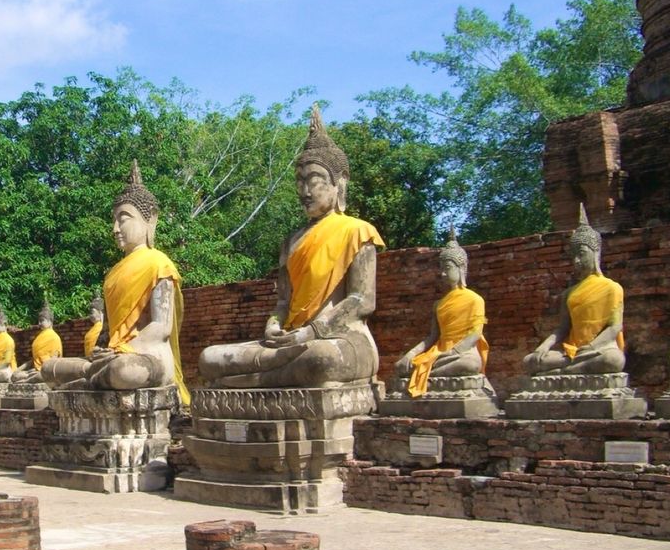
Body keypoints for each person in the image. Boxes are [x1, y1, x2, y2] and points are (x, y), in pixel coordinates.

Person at [199, 108, 384, 389]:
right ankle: (260, 378)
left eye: (313, 180)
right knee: (210, 358)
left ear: (339, 183)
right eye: (299, 181)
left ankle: (247, 381)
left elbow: (361, 300)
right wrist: (273, 325)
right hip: (289, 339)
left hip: (340, 340)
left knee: (320, 359)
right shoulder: (291, 242)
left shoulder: (357, 231)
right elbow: (284, 303)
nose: (304, 191)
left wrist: (311, 332)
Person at [42, 161, 188, 403]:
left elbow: (161, 328)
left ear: (149, 219)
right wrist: (102, 348)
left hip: (147, 357)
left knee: (122, 371)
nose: (115, 228)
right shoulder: (113, 274)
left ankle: (87, 380)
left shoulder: (159, 264)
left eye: (123, 219)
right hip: (114, 355)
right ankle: (91, 376)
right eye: (114, 220)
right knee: (49, 368)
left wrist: (121, 350)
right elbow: (108, 331)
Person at [524, 204, 625, 376]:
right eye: (573, 256)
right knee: (530, 362)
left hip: (599, 350)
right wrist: (544, 345)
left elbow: (615, 327)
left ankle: (564, 372)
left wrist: (591, 347)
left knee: (613, 361)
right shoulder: (569, 293)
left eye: (582, 254)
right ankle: (570, 370)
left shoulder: (611, 287)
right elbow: (563, 328)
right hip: (571, 351)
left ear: (595, 253)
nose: (577, 261)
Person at [393, 231, 489, 396]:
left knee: (470, 366)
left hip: (461, 354)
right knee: (401, 366)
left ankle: (428, 374)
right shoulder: (439, 304)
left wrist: (451, 353)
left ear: (461, 268)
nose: (443, 273)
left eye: (448, 268)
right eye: (441, 269)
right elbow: (432, 337)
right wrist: (411, 354)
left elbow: (475, 334)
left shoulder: (475, 300)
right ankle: (428, 373)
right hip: (439, 352)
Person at [12, 302, 62, 384]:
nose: (39, 324)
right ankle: (29, 378)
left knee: (41, 376)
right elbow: (35, 359)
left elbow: (54, 359)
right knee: (16, 376)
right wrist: (18, 369)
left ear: (50, 322)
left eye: (42, 321)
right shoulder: (39, 337)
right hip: (36, 369)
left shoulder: (54, 337)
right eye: (38, 321)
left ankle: (27, 380)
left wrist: (42, 369)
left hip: (48, 370)